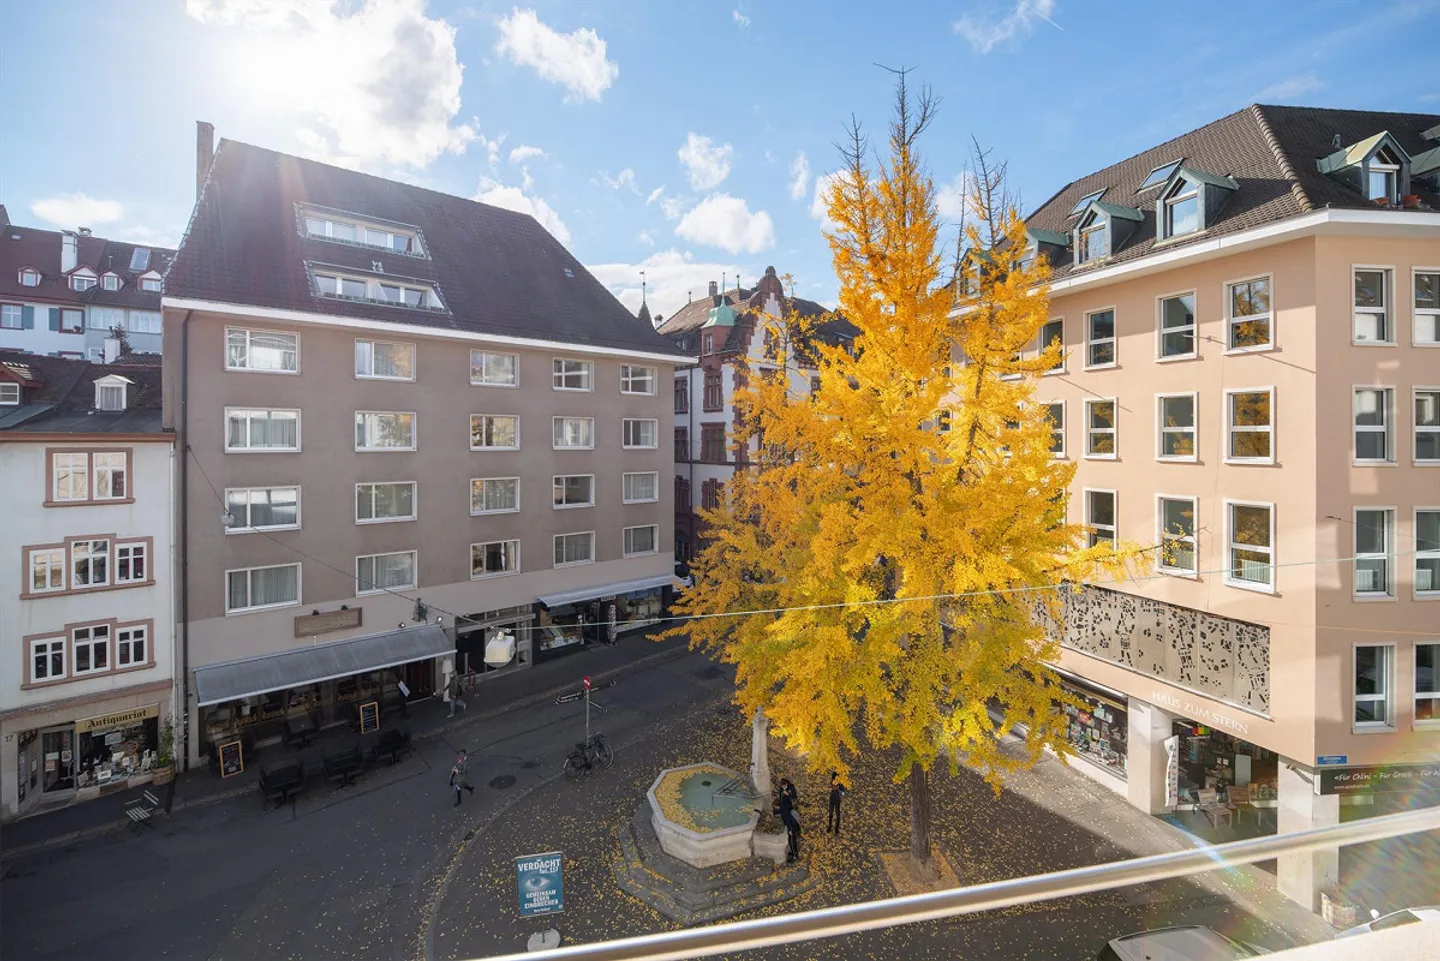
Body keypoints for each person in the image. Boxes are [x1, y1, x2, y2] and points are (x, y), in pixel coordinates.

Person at [777, 777, 801, 863]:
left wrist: (788, 794)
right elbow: (780, 798)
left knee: (792, 835)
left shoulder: (791, 787)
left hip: (788, 807)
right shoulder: (781, 788)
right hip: (784, 808)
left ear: (786, 784)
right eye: (782, 786)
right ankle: (793, 854)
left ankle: (795, 856)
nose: (783, 787)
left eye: (784, 786)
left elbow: (794, 797)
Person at [828, 771, 847, 836]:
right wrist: (831, 787)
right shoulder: (832, 781)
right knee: (830, 814)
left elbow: (843, 793)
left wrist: (838, 789)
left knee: (838, 816)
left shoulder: (841, 783)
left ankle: (836, 830)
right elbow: (830, 787)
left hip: (837, 800)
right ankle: (829, 827)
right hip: (832, 799)